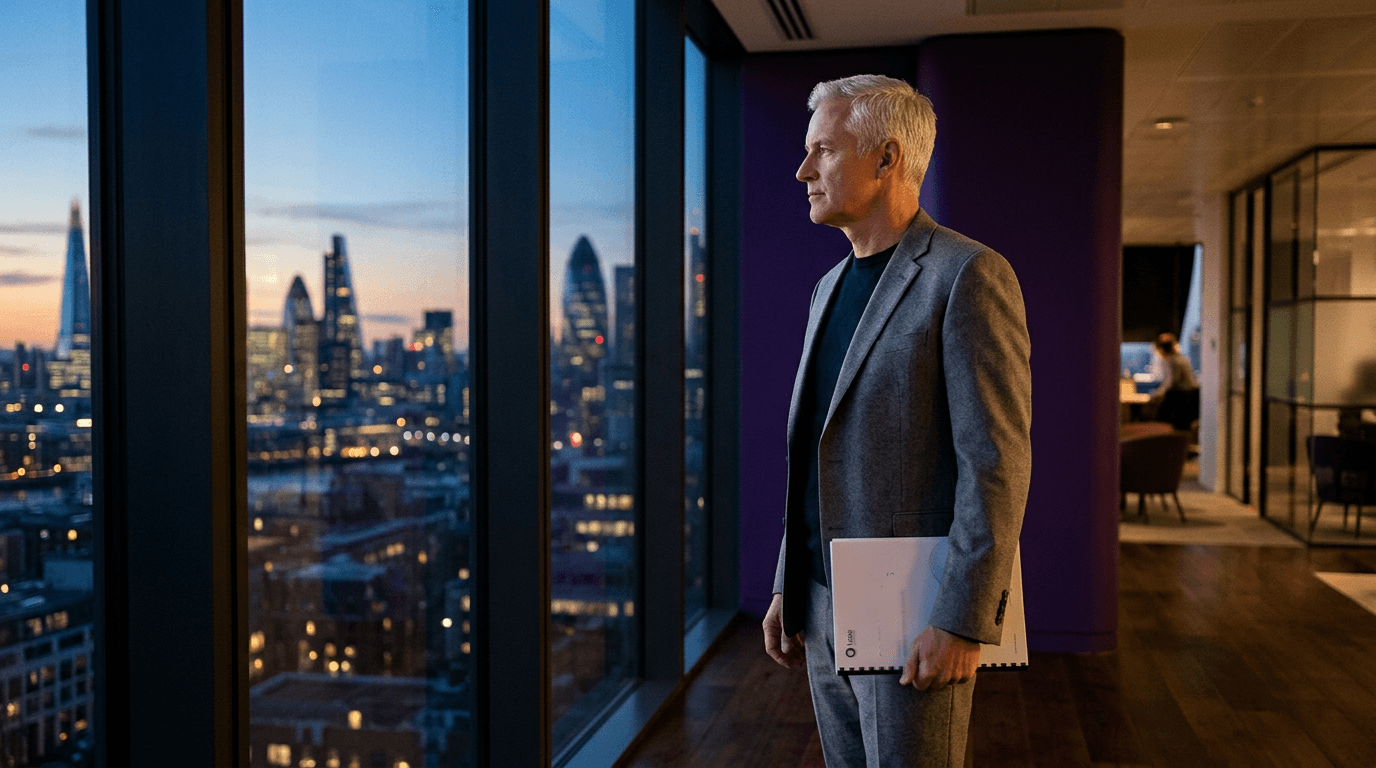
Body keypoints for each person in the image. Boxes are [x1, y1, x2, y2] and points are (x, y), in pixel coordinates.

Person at [761, 74, 1032, 767]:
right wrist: (786, 586)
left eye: (822, 150)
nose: (802, 171)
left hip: (916, 613)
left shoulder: (967, 274)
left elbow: (996, 462)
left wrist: (962, 620)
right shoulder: (827, 288)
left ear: (886, 159)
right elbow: (818, 452)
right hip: (821, 604)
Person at [1148, 333, 1198, 430]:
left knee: (1159, 417)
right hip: (1191, 396)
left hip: (1183, 396)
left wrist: (1154, 396)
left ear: (1160, 350)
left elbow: (1170, 383)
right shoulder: (1180, 359)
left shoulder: (1172, 361)